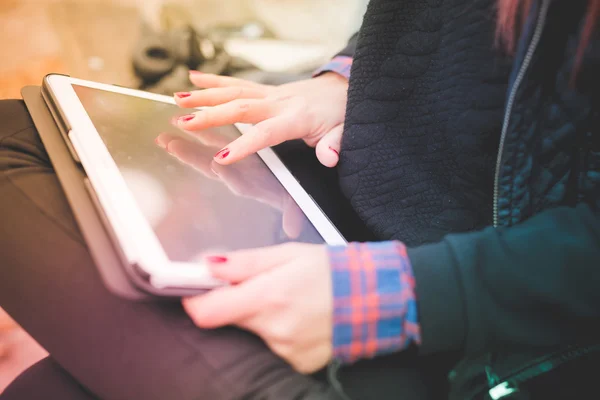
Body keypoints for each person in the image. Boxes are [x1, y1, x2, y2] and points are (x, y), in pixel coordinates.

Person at [1, 0, 599, 398]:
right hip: (345, 181)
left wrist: (396, 293)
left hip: (478, 308)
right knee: (11, 134)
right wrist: (344, 81)